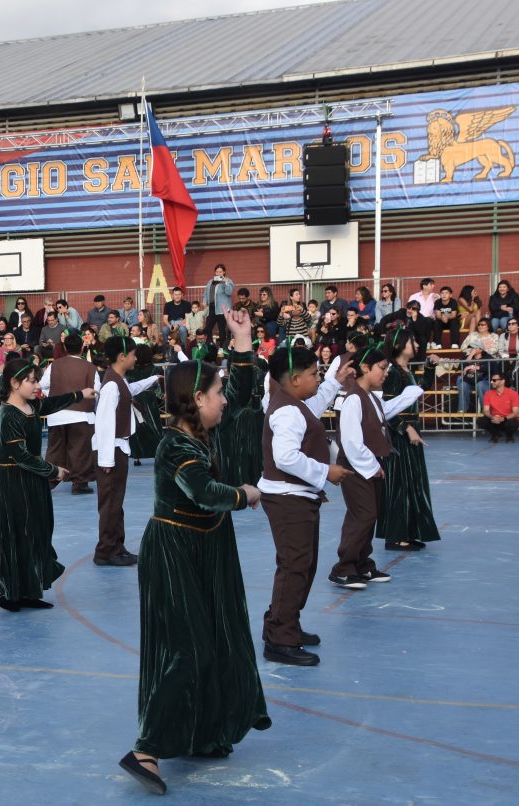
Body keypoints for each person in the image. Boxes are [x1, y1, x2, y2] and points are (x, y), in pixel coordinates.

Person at [119, 309, 269, 795]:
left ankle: (202, 732)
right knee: (185, 648)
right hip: (176, 553)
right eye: (216, 393)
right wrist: (244, 495)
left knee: (214, 640)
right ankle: (146, 748)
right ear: (196, 399)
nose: (224, 400)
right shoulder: (175, 447)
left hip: (205, 548)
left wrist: (243, 343)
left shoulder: (204, 433)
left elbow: (246, 396)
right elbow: (204, 492)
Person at [257, 342, 352, 666]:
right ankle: (279, 638)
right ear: (295, 379)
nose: (317, 379)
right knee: (295, 565)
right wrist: (327, 471)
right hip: (288, 499)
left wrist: (334, 382)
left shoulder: (293, 403)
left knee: (302, 565)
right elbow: (285, 457)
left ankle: (285, 623)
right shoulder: (286, 410)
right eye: (314, 374)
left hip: (296, 497)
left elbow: (314, 407)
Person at [0, 359, 94, 612]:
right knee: (14, 534)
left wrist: (81, 394)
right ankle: (1, 588)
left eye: (37, 380)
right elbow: (19, 456)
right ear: (14, 384)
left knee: (34, 531)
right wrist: (53, 469)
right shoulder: (9, 415)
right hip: (11, 481)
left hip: (31, 478)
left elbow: (52, 403)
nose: (37, 386)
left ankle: (27, 589)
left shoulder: (31, 405)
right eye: (32, 381)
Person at [329, 344, 422, 590]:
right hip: (355, 468)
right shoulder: (353, 399)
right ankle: (343, 568)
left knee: (371, 515)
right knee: (362, 515)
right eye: (382, 368)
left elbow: (383, 415)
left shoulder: (369, 396)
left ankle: (362, 564)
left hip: (369, 466)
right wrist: (372, 466)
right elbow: (350, 441)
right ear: (365, 368)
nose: (385, 373)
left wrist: (408, 396)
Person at [93, 337, 161, 566]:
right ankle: (105, 551)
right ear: (122, 357)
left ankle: (116, 546)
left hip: (116, 448)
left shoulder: (118, 380)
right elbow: (103, 423)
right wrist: (105, 460)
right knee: (111, 503)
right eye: (132, 354)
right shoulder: (112, 385)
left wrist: (151, 379)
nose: (135, 358)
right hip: (111, 450)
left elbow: (130, 390)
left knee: (116, 502)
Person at [377, 328, 441, 551]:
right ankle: (395, 536)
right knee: (399, 484)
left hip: (410, 433)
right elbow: (385, 410)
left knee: (412, 481)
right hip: (399, 436)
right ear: (399, 345)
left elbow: (420, 389)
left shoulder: (405, 371)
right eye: (411, 341)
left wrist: (431, 367)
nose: (415, 344)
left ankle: (408, 530)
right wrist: (406, 428)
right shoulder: (393, 373)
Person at [39, 332, 100, 495]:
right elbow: (97, 391)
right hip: (82, 415)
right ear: (82, 348)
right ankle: (79, 483)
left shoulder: (54, 365)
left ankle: (49, 480)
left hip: (56, 414)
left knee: (55, 450)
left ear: (65, 348)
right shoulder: (90, 367)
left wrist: (51, 397)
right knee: (80, 450)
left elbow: (42, 385)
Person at [481, 371, 519, 443]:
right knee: (481, 420)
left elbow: (515, 413)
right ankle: (495, 434)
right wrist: (493, 417)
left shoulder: (513, 394)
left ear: (502, 381)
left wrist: (503, 419)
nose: (492, 382)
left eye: (494, 380)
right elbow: (486, 410)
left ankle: (509, 435)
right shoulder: (488, 394)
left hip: (507, 419)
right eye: (492, 380)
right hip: (494, 419)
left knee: (513, 422)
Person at [201, 263, 233, 343]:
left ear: (224, 272)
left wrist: (225, 283)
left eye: (220, 272)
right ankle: (210, 345)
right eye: (217, 272)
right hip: (212, 308)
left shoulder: (228, 281)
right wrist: (205, 301)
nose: (219, 273)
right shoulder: (210, 282)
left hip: (222, 309)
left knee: (222, 329)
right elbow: (206, 293)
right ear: (215, 272)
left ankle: (223, 348)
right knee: (208, 328)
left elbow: (229, 292)